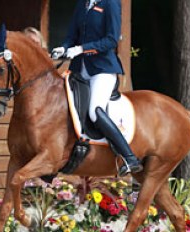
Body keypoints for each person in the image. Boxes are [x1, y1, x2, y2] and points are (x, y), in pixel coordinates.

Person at [52, 0, 142, 177]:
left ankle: (129, 157)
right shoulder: (82, 4)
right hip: (79, 69)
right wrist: (63, 47)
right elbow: (72, 34)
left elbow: (111, 40)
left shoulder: (111, 3)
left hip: (103, 69)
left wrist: (81, 49)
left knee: (94, 111)